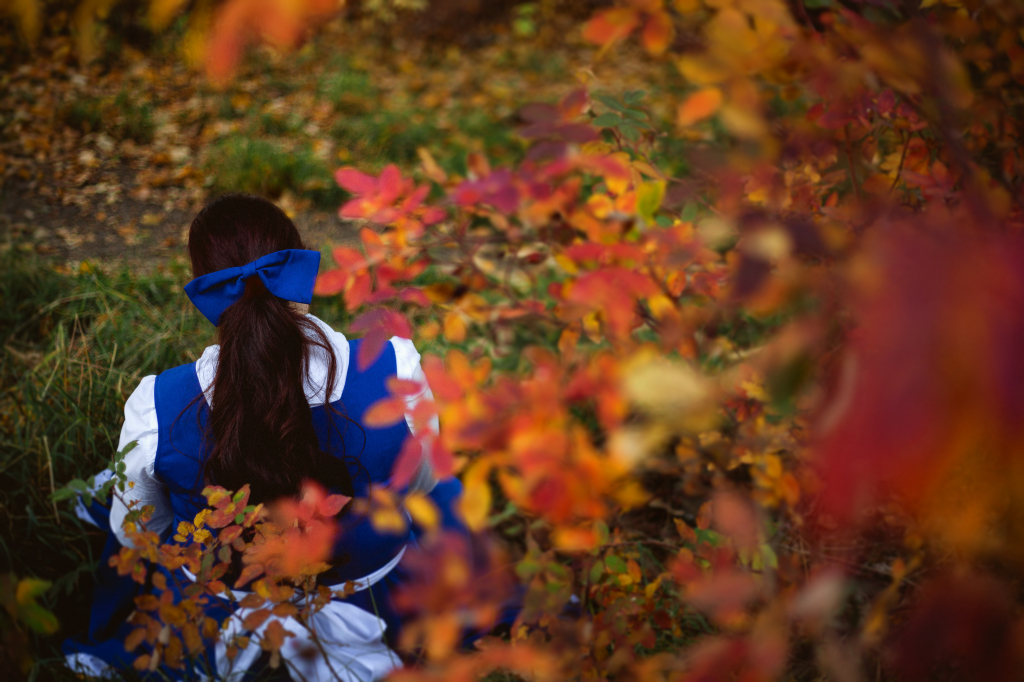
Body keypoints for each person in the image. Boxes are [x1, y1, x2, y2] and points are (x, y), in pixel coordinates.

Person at [63, 194, 467, 681]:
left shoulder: (158, 405)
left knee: (129, 509)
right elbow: (418, 484)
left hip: (224, 607)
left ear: (202, 287)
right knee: (444, 489)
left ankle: (103, 592)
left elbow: (140, 535)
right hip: (378, 597)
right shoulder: (395, 366)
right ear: (297, 267)